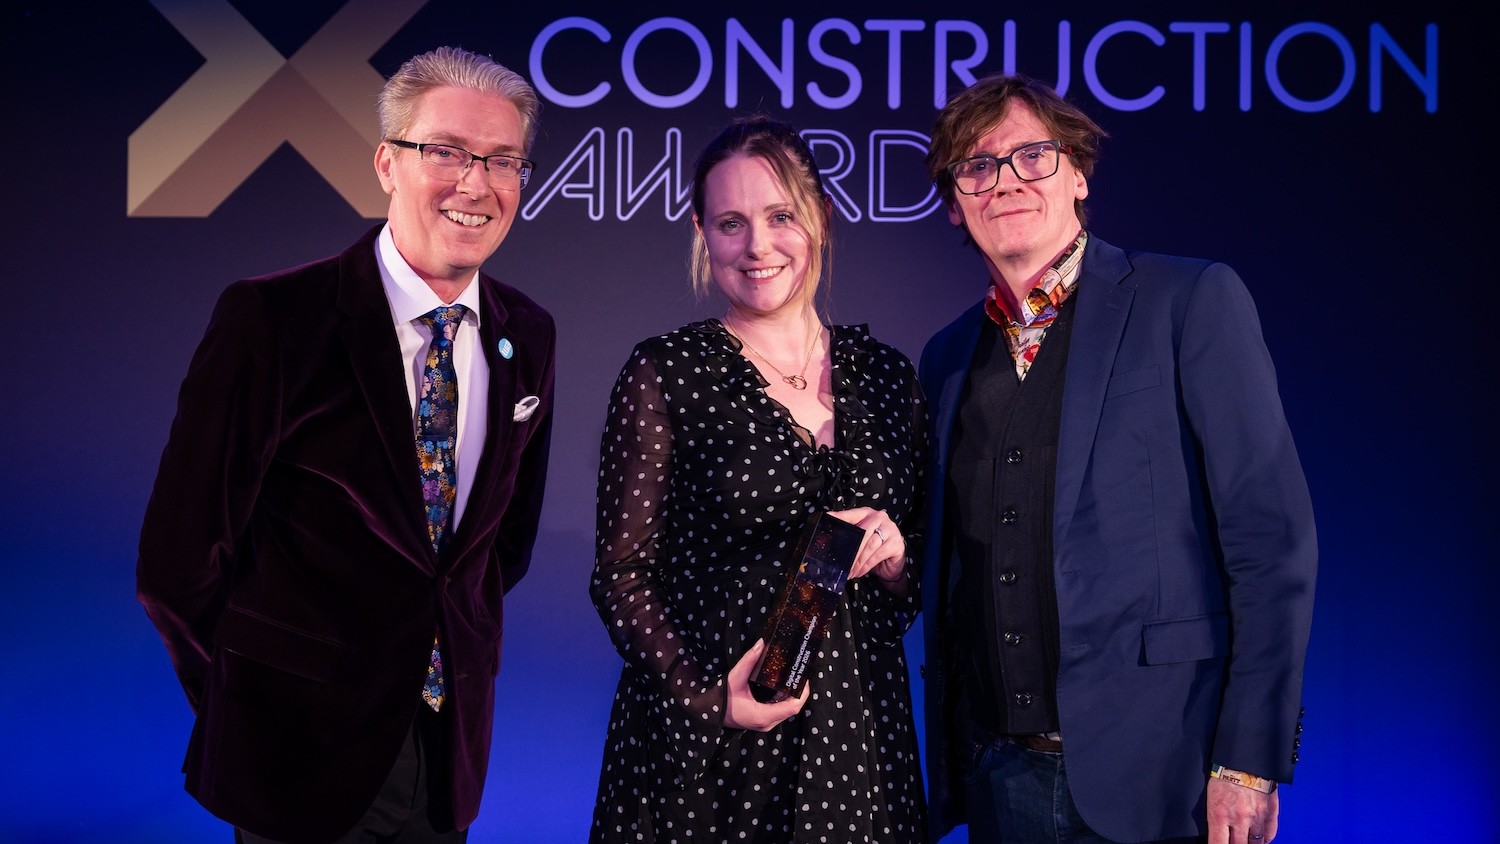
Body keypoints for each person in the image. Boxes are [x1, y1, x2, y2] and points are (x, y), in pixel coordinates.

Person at [136, 46, 554, 844]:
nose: (477, 184)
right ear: (386, 164)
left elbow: (499, 550)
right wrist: (253, 703)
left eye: (503, 161)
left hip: (443, 759)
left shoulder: (526, 334)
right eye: (447, 153)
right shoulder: (275, 319)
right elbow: (176, 564)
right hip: (298, 760)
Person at [917, 74, 1317, 844]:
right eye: (977, 166)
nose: (1005, 181)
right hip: (1000, 779)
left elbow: (1272, 546)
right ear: (954, 202)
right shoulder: (945, 358)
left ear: (1077, 172)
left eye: (1031, 155)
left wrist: (1248, 760)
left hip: (1164, 775)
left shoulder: (1188, 300)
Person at [588, 116, 928, 843]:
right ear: (702, 234)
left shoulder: (889, 377)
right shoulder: (667, 373)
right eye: (731, 223)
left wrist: (898, 561)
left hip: (858, 740)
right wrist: (706, 695)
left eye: (781, 217)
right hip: (712, 749)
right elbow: (620, 577)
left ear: (822, 220)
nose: (758, 246)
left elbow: (916, 587)